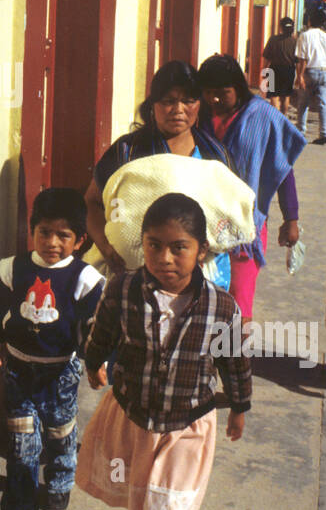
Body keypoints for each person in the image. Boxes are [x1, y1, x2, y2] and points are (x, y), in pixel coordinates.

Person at [76, 193, 250, 510]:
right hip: (134, 415)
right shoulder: (124, 289)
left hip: (187, 428)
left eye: (180, 247)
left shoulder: (221, 306)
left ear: (202, 252)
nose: (166, 259)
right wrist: (94, 362)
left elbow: (234, 363)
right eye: (155, 246)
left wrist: (240, 406)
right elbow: (103, 331)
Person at [0, 187, 104, 510]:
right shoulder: (13, 269)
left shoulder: (85, 280)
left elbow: (93, 329)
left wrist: (96, 362)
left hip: (60, 374)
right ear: (32, 231)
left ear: (79, 240)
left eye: (63, 235)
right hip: (19, 370)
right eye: (44, 232)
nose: (52, 242)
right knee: (22, 443)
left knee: (60, 430)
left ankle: (61, 480)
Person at [85, 61, 236, 279]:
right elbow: (92, 202)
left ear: (199, 105)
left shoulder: (215, 155)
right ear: (153, 104)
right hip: (134, 276)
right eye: (169, 101)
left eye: (188, 101)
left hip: (202, 277)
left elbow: (230, 213)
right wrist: (106, 247)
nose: (179, 110)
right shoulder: (127, 151)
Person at [198, 54, 304, 323]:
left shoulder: (263, 116)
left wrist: (291, 219)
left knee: (238, 302)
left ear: (239, 88)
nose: (215, 100)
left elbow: (282, 169)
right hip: (202, 223)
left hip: (246, 226)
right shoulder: (198, 117)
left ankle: (236, 361)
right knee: (205, 299)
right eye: (209, 93)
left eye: (223, 93)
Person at [294, 9, 326, 144]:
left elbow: (303, 59)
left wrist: (299, 76)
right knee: (323, 105)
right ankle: (324, 133)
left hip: (310, 72)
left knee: (303, 104)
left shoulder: (305, 36)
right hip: (324, 73)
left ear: (309, 21)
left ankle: (301, 132)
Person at [261, 16, 297, 116]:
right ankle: (283, 116)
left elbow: (266, 57)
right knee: (285, 96)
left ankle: (275, 116)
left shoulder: (273, 40)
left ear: (281, 27)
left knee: (274, 95)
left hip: (274, 69)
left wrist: (264, 71)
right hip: (289, 70)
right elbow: (297, 60)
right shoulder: (295, 42)